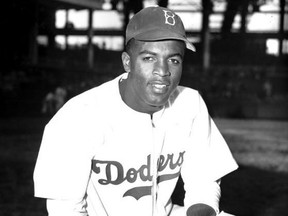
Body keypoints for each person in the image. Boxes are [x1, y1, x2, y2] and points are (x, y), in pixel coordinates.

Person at [33, 6, 238, 216]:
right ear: (127, 62)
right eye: (149, 58)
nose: (163, 71)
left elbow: (203, 182)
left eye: (174, 60)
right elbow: (65, 210)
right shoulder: (78, 117)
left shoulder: (189, 103)